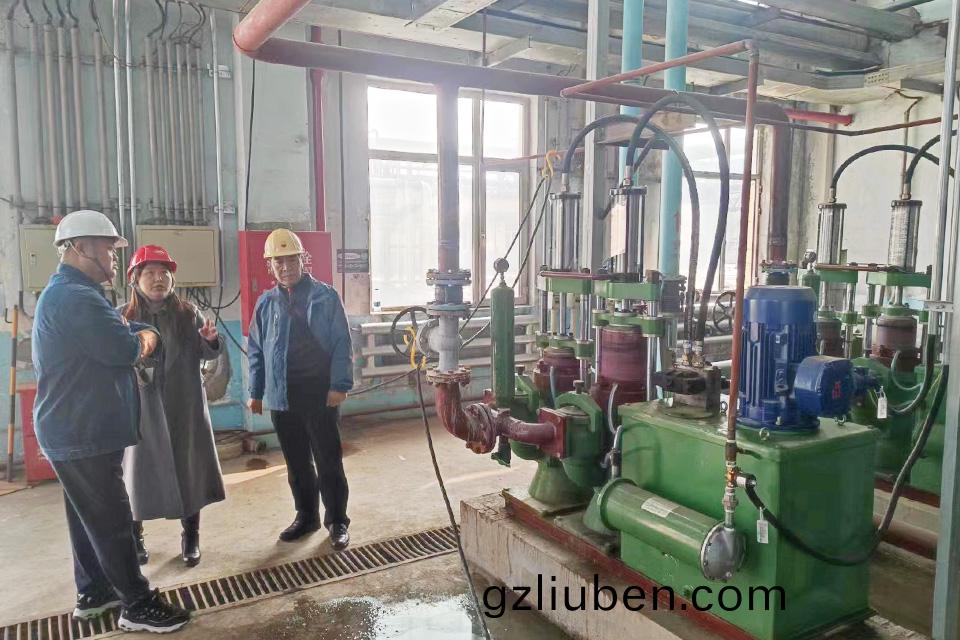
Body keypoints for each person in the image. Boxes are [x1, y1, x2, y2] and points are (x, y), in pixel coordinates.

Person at [32, 210, 191, 633]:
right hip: (83, 431)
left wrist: (130, 331)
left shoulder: (74, 293)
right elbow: (125, 349)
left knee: (88, 517)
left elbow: (116, 332)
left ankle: (94, 592)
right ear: (81, 248)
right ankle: (137, 604)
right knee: (112, 521)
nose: (115, 258)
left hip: (74, 428)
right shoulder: (76, 298)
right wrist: (148, 336)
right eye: (109, 249)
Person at [246, 228, 354, 550]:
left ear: (303, 260)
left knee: (328, 460)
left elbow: (342, 343)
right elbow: (256, 350)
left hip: (319, 393)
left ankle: (337, 520)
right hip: (282, 396)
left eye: (291, 260)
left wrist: (339, 385)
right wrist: (256, 391)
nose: (285, 267)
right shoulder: (266, 303)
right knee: (296, 463)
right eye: (278, 262)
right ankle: (306, 516)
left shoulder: (326, 297)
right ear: (270, 266)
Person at [120, 244, 226, 568]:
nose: (158, 279)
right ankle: (135, 538)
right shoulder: (122, 317)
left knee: (188, 472)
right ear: (135, 279)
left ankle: (190, 536)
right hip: (141, 410)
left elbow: (208, 354)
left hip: (184, 406)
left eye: (164, 273)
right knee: (135, 476)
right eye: (150, 273)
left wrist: (210, 340)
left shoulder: (188, 314)